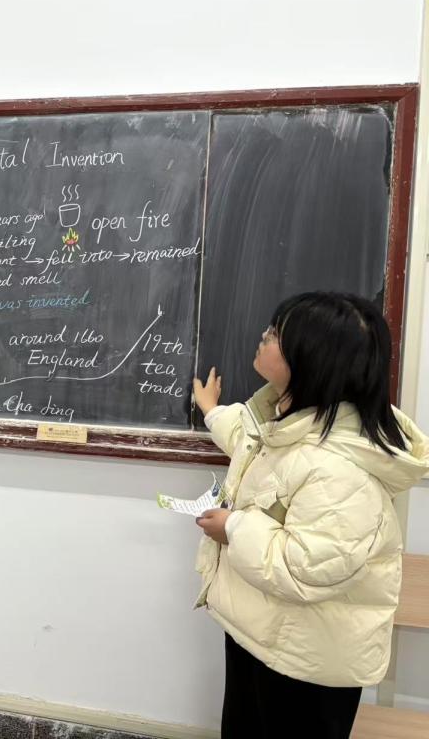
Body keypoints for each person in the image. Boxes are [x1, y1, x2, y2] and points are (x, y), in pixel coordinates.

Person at [191, 291, 428, 739]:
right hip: (266, 635)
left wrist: (233, 528)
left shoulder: (341, 470)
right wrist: (211, 411)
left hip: (308, 664)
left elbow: (307, 567)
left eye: (277, 334)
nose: (264, 336)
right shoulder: (292, 423)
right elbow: (247, 440)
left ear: (311, 360)